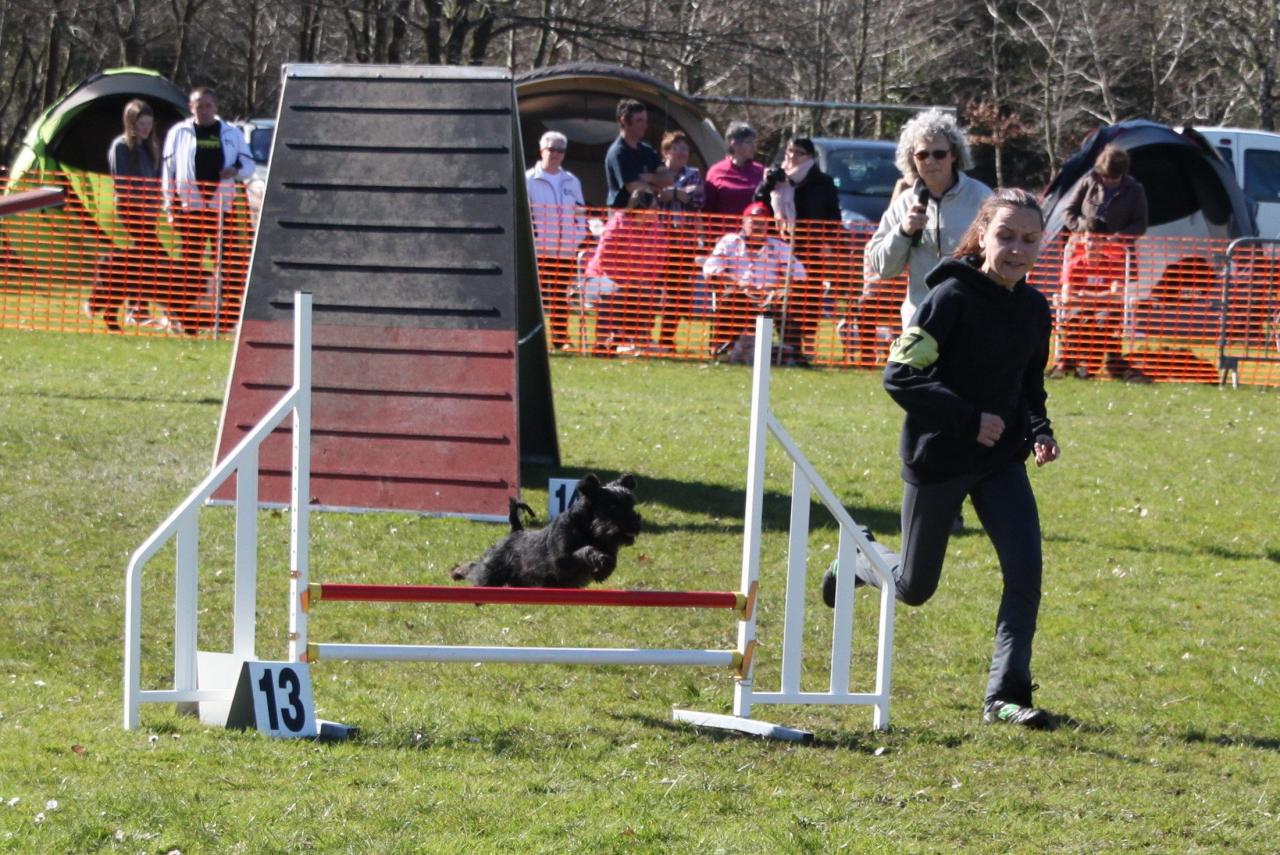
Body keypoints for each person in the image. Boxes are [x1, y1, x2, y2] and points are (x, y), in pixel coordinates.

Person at [823, 188, 1061, 730]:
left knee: (1025, 573)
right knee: (914, 587)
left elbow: (1029, 384)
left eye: (1029, 239)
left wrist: (1040, 430)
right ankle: (859, 558)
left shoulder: (1034, 308)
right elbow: (901, 375)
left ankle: (1004, 697)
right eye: (1006, 236)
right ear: (983, 236)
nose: (1017, 249)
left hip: (1001, 461)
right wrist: (969, 418)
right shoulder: (950, 298)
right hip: (939, 457)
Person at [864, 108, 992, 330]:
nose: (930, 161)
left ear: (954, 155)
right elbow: (883, 268)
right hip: (919, 321)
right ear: (912, 159)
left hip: (970, 320)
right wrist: (903, 231)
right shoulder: (904, 203)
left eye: (939, 154)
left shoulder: (982, 197)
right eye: (922, 155)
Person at [1055, 143, 1150, 380]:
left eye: (1114, 177)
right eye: (1106, 176)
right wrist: (1086, 230)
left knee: (1112, 311)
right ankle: (1072, 359)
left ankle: (1113, 361)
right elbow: (1067, 212)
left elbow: (1140, 224)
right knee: (1083, 314)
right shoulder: (1088, 181)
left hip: (1117, 255)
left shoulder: (1135, 190)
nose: (1109, 180)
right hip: (1083, 250)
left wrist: (1117, 238)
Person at [161, 86, 254, 328]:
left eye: (207, 105)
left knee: (226, 261)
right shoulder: (178, 133)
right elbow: (168, 171)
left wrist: (235, 170)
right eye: (198, 106)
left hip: (222, 208)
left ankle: (228, 315)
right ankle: (184, 314)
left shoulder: (231, 133)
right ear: (191, 108)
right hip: (190, 208)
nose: (203, 110)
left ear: (216, 107)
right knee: (190, 263)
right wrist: (170, 206)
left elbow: (249, 165)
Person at [755, 137, 843, 356]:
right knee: (782, 295)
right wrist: (767, 184)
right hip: (781, 245)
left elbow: (833, 215)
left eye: (798, 152)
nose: (792, 156)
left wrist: (829, 241)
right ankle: (787, 343)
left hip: (811, 247)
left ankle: (808, 345)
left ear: (810, 156)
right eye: (789, 151)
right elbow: (758, 202)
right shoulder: (778, 178)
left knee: (809, 297)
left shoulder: (823, 182)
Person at [702, 201, 808, 362]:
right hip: (739, 293)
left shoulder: (779, 246)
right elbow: (711, 269)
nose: (758, 227)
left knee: (788, 302)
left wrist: (776, 286)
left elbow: (799, 274)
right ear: (743, 222)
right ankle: (724, 349)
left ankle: (792, 354)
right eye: (753, 222)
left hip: (771, 295)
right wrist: (738, 282)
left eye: (762, 223)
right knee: (731, 297)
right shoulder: (729, 242)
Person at [93, 99, 163, 330]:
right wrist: (142, 202)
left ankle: (106, 299)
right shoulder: (121, 147)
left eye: (149, 124)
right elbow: (122, 184)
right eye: (142, 124)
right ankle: (135, 308)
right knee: (151, 257)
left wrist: (156, 203)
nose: (146, 129)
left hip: (149, 213)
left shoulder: (151, 147)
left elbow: (157, 180)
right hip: (130, 211)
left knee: (138, 261)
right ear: (131, 123)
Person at [584, 188, 665, 354]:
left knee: (648, 293)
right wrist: (626, 280)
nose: (658, 211)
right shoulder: (617, 223)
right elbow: (604, 259)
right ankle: (603, 342)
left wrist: (646, 280)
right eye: (654, 207)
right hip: (601, 277)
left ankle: (638, 340)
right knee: (618, 292)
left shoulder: (656, 226)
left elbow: (659, 259)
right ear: (641, 208)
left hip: (637, 281)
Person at [526, 131, 587, 350]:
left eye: (561, 150)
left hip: (566, 251)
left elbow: (580, 213)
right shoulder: (528, 179)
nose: (556, 154)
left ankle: (561, 340)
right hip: (540, 251)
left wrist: (576, 238)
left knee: (561, 297)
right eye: (552, 149)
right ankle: (532, 341)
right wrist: (535, 240)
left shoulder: (572, 181)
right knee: (536, 299)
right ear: (542, 150)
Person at [654, 130, 705, 352]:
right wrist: (680, 193)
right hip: (658, 240)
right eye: (677, 148)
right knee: (652, 289)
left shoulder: (694, 174)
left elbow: (698, 199)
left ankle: (667, 338)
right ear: (666, 151)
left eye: (685, 149)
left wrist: (672, 193)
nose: (682, 153)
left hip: (684, 242)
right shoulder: (656, 171)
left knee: (679, 293)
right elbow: (655, 197)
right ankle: (642, 335)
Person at [603, 99, 669, 208]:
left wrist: (650, 177)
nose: (645, 125)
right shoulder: (618, 153)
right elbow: (637, 190)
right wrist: (658, 189)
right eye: (639, 120)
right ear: (624, 121)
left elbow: (668, 178)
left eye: (645, 121)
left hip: (649, 214)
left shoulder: (648, 150)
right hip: (625, 214)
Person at [703, 122, 765, 218]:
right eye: (749, 142)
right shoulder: (716, 172)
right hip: (724, 226)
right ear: (734, 144)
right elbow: (707, 209)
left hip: (754, 226)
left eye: (754, 142)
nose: (754, 146)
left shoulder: (760, 171)